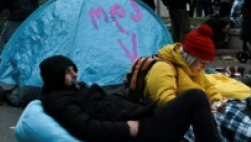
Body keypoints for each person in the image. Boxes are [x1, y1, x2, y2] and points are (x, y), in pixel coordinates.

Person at [39, 55, 222, 142]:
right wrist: (127, 129)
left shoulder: (73, 90)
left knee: (198, 102)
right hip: (140, 130)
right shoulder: (58, 100)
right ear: (56, 76)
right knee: (195, 98)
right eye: (68, 72)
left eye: (74, 69)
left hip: (141, 116)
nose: (75, 74)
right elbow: (88, 128)